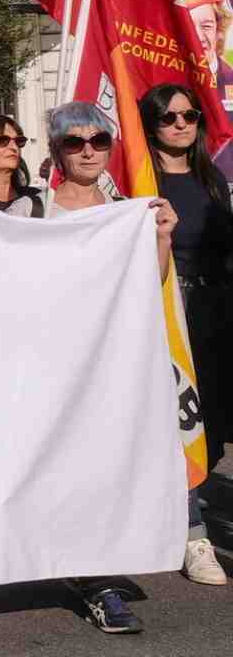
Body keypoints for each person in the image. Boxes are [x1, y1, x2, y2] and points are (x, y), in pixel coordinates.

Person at [39, 101, 177, 633]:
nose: (88, 151)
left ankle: (100, 581)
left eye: (98, 141)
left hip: (109, 364)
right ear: (57, 151)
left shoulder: (128, 212)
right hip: (48, 366)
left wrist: (161, 237)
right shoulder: (33, 211)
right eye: (74, 142)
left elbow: (148, 282)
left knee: (103, 468)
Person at [140, 84, 233, 588]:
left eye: (189, 115)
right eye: (168, 117)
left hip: (216, 312)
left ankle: (186, 505)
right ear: (150, 123)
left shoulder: (210, 177)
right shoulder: (137, 179)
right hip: (168, 315)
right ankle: (192, 533)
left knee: (213, 429)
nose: (180, 124)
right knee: (180, 424)